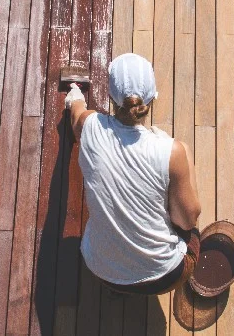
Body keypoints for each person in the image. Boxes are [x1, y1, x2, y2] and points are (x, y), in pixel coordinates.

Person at [65, 53, 202, 295]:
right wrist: (183, 155)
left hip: (102, 271)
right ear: (151, 99)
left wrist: (75, 94)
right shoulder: (170, 151)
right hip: (165, 276)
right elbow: (187, 220)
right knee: (191, 224)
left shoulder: (89, 127)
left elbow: (76, 112)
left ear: (111, 98)